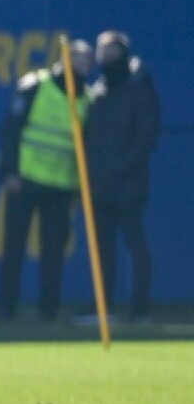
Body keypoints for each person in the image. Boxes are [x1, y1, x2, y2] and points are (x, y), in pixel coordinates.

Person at [0, 40, 94, 322]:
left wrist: (78, 186)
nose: (83, 65)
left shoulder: (87, 98)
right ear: (64, 59)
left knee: (54, 252)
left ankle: (48, 309)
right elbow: (11, 130)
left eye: (88, 61)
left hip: (61, 186)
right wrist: (9, 172)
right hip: (25, 180)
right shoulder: (36, 85)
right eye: (78, 58)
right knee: (14, 246)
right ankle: (6, 306)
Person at [81, 31, 161, 322]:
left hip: (128, 184)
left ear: (125, 53)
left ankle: (141, 310)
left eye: (113, 52)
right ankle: (103, 308)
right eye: (103, 52)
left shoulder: (139, 88)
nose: (108, 58)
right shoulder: (98, 90)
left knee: (135, 244)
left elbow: (146, 138)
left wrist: (119, 169)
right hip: (99, 185)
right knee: (102, 249)